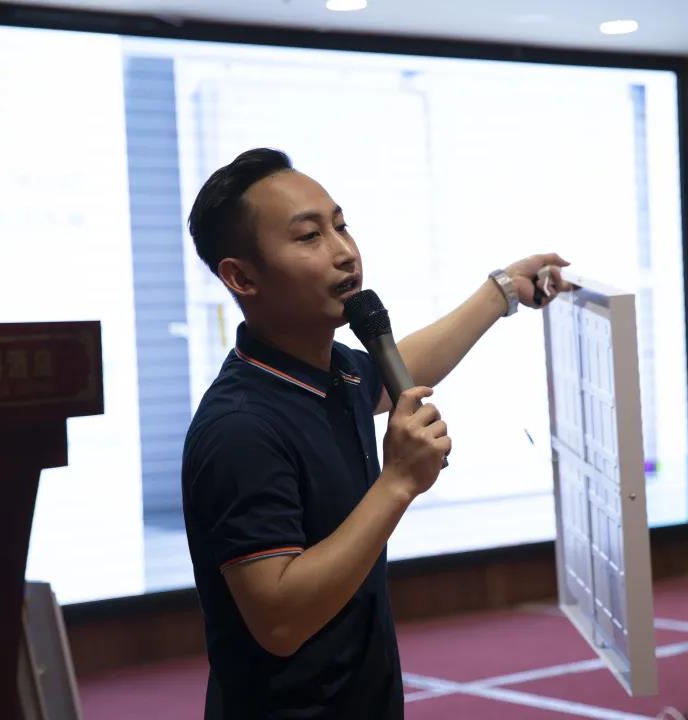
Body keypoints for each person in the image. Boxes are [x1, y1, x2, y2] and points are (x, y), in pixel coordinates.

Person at [181, 147, 571, 719]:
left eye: (341, 226)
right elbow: (279, 620)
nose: (343, 252)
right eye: (309, 236)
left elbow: (401, 370)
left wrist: (502, 291)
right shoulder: (240, 428)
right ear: (241, 276)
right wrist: (397, 483)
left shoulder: (329, 370)